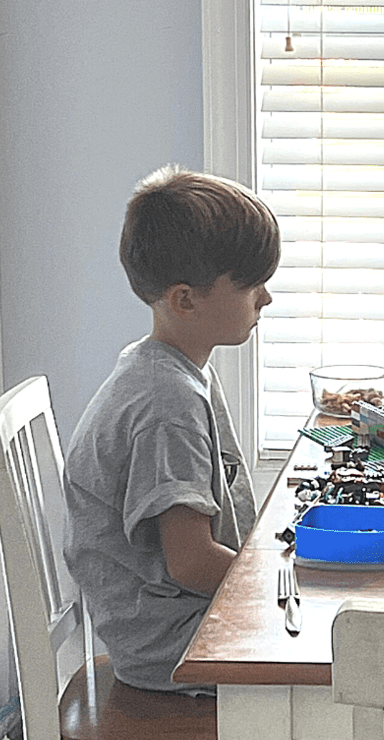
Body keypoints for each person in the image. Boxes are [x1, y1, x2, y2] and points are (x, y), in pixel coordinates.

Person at [63, 166, 279, 693]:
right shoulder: (167, 403)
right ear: (185, 299)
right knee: (350, 654)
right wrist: (277, 587)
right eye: (251, 284)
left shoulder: (176, 368)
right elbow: (191, 561)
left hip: (175, 624)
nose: (266, 298)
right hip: (171, 643)